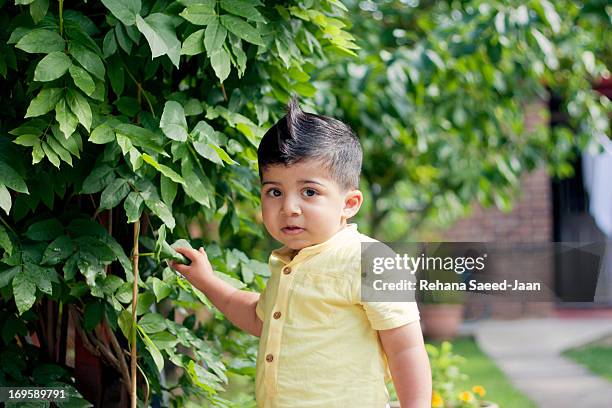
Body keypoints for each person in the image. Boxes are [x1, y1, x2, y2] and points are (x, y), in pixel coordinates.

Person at [169, 97, 432, 407]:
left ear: (349, 203)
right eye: (274, 192)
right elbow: (259, 318)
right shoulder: (289, 263)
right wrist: (207, 281)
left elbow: (406, 349)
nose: (289, 208)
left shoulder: (368, 260)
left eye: (309, 192)